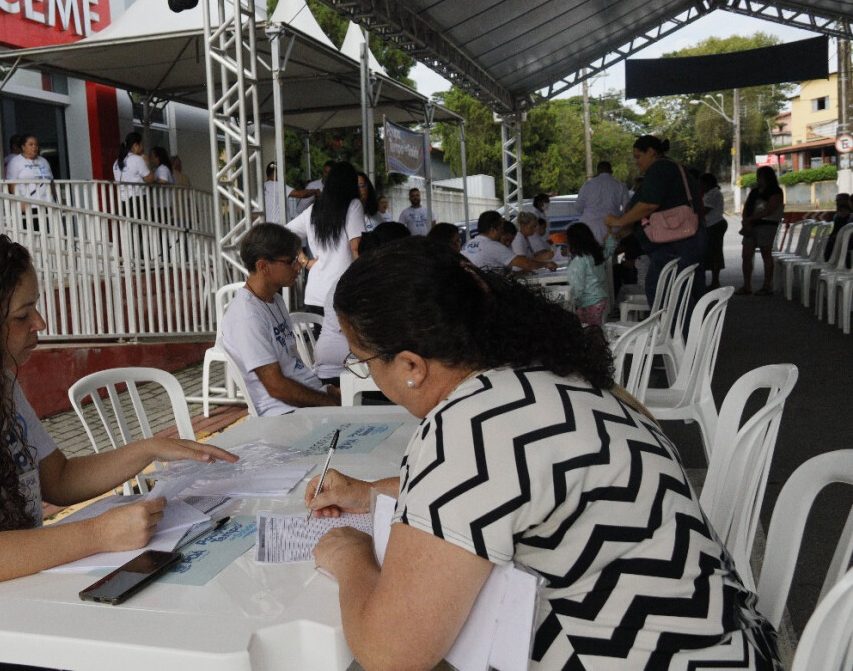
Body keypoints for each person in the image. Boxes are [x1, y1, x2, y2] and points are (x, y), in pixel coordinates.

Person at [307, 238, 779, 670]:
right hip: (725, 648)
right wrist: (370, 493)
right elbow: (519, 494)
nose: (366, 375)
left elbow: (392, 653)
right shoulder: (552, 374)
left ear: (410, 366)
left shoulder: (471, 425)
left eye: (362, 362)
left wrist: (351, 556)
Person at [0, 234, 236, 670]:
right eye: (21, 315)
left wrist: (148, 449)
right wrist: (97, 534)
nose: (40, 323)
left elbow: (60, 479)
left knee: (159, 612)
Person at [219, 223, 339, 415]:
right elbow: (276, 388)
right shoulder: (247, 316)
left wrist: (328, 392)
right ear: (263, 266)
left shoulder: (275, 299)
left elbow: (291, 364)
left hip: (305, 402)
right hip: (283, 413)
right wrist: (329, 402)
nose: (299, 265)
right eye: (291, 260)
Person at [605, 135, 706, 313]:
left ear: (651, 152)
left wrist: (619, 221)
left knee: (665, 295)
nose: (637, 162)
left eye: (638, 156)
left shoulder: (660, 168)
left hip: (676, 244)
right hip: (685, 241)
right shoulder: (670, 169)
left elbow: (649, 205)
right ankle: (692, 338)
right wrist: (623, 231)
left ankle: (676, 338)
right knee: (685, 295)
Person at [312, 221, 412, 385]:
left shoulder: (380, 278)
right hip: (342, 373)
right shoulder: (356, 283)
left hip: (364, 367)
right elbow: (376, 334)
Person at [286, 161, 365, 319]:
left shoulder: (314, 209)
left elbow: (285, 232)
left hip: (315, 293)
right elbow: (357, 248)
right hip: (341, 293)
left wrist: (303, 260)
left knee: (321, 343)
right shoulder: (353, 205)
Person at [737, 165, 784, 296]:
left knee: (766, 254)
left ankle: (767, 285)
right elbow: (746, 207)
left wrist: (750, 218)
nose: (759, 179)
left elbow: (770, 209)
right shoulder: (754, 192)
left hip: (767, 225)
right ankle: (747, 285)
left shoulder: (775, 191)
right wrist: (746, 220)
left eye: (761, 176)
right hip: (750, 225)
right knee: (746, 255)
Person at [462, 210, 557, 274]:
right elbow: (525, 263)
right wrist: (545, 264)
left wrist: (522, 272)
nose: (501, 232)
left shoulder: (467, 245)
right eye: (501, 228)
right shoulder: (493, 246)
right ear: (493, 230)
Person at [565, 222, 613, 326]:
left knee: (588, 332)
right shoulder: (596, 254)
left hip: (587, 302)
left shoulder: (578, 261)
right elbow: (610, 248)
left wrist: (571, 302)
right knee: (594, 329)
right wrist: (609, 229)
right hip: (599, 299)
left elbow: (577, 287)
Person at [575, 160, 629, 243]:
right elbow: (627, 208)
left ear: (598, 171)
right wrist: (618, 218)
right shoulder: (620, 185)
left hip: (588, 227)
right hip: (612, 227)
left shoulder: (588, 185)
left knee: (589, 253)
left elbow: (578, 207)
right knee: (610, 253)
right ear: (611, 171)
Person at [113, 132, 155, 217]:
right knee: (138, 227)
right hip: (137, 199)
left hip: (122, 200)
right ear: (135, 146)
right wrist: (147, 162)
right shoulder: (137, 159)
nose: (142, 147)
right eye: (141, 144)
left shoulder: (116, 163)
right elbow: (150, 179)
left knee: (127, 227)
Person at [700, 172, 728, 290]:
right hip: (710, 225)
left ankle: (715, 281)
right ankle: (713, 280)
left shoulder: (713, 193)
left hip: (714, 224)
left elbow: (704, 210)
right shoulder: (709, 193)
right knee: (711, 253)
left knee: (715, 253)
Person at [824, 193, 852, 261]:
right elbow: (835, 230)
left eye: (839, 200)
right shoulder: (837, 216)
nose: (837, 202)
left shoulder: (849, 215)